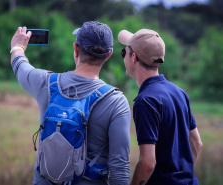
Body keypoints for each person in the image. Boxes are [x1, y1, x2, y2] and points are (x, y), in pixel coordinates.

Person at [10, 21, 131, 185]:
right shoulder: (116, 101)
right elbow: (120, 168)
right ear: (108, 55)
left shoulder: (46, 83)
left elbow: (20, 66)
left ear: (75, 49)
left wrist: (17, 46)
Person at [118, 29, 203, 185]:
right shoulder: (179, 92)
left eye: (124, 52)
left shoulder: (145, 101)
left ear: (134, 57)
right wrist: (182, 176)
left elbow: (147, 163)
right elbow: (196, 142)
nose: (123, 57)